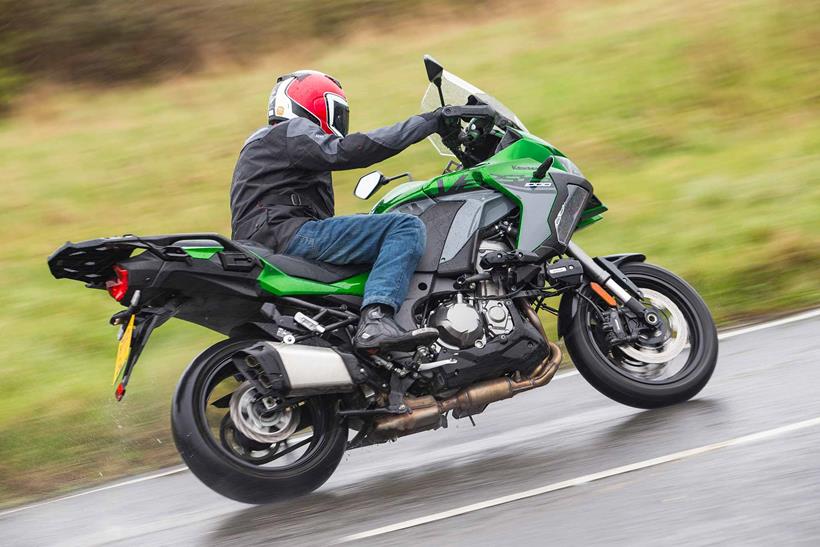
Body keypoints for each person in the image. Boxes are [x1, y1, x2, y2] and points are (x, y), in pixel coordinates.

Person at [230, 70, 451, 351]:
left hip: (269, 237)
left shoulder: (268, 143)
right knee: (403, 227)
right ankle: (376, 320)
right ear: (314, 106)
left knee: (370, 226)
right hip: (288, 233)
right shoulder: (291, 131)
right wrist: (429, 122)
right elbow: (349, 150)